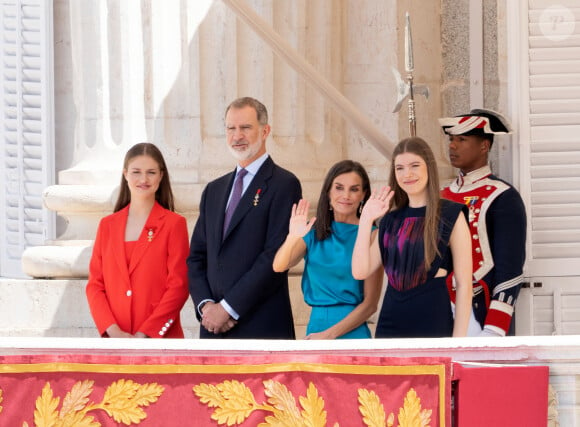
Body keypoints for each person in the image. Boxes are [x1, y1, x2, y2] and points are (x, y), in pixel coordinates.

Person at [188, 97, 302, 339]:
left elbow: (274, 256)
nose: (237, 135)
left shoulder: (284, 184)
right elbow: (197, 257)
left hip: (261, 327)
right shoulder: (214, 191)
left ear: (265, 131)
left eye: (245, 128)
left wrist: (228, 309)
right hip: (213, 330)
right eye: (231, 128)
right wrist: (207, 307)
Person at [352, 137, 472, 338]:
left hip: (433, 318)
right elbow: (360, 271)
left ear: (428, 167)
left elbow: (464, 284)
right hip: (390, 321)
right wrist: (365, 220)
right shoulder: (390, 220)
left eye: (414, 165)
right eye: (399, 168)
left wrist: (458, 344)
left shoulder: (451, 214)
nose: (407, 174)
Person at [86, 143, 190, 338]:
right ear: (125, 174)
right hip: (116, 343)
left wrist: (146, 334)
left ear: (161, 175)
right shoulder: (107, 226)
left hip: (160, 343)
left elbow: (179, 286)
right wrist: (113, 331)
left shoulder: (174, 224)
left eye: (151, 172)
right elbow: (95, 286)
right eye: (136, 172)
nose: (143, 179)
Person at [439, 108, 527, 336]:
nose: (452, 146)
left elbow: (510, 270)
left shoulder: (503, 196)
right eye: (451, 139)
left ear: (484, 146)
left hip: (481, 311)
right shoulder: (441, 196)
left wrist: (495, 327)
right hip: (439, 309)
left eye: (462, 139)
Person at [273, 160, 384, 339]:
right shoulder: (313, 231)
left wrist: (327, 336)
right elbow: (279, 266)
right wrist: (292, 236)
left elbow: (370, 304)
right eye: (339, 188)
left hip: (352, 332)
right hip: (316, 327)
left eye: (354, 189)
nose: (346, 195)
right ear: (328, 191)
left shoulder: (371, 235)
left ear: (364, 195)